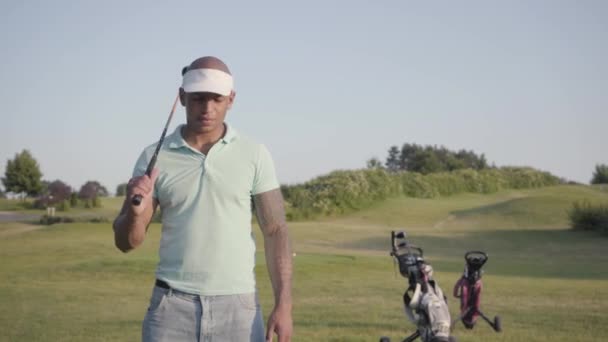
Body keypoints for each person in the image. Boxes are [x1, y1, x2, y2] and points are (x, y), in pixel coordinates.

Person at [112, 56, 293, 342]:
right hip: (171, 308)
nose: (207, 109)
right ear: (182, 98)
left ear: (230, 100)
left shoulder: (254, 154)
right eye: (198, 99)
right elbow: (126, 242)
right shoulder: (153, 158)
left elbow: (275, 230)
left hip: (239, 309)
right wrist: (135, 213)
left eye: (216, 99)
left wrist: (284, 305)